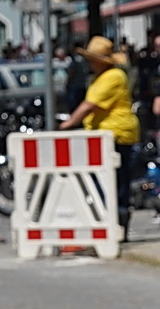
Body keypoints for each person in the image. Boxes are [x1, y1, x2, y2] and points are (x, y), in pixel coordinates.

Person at [59, 36, 143, 234]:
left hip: (116, 134)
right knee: (106, 181)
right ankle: (110, 222)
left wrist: (68, 124)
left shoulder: (113, 76)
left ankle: (118, 222)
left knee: (115, 183)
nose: (89, 62)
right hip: (103, 135)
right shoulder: (101, 77)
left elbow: (91, 105)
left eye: (91, 59)